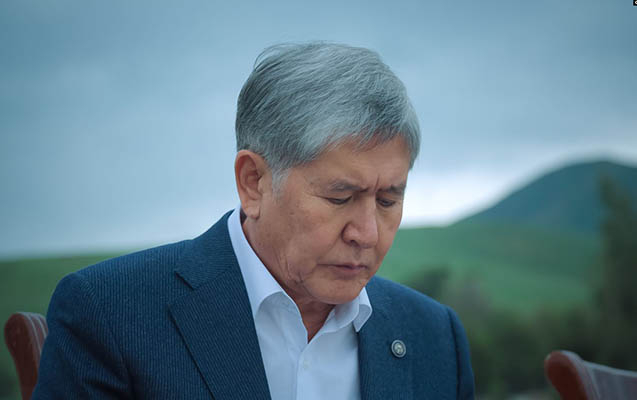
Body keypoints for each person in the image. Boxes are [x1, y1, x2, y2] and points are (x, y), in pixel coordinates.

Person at [33, 42, 475, 399]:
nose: (367, 234)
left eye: (388, 200)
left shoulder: (435, 336)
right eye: (340, 197)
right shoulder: (109, 313)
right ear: (254, 182)